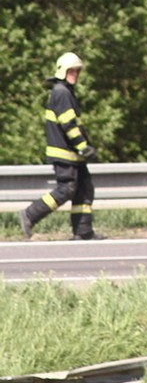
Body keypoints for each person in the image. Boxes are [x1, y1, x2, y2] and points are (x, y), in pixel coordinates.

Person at [19, 52, 105, 241]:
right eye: (71, 70)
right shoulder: (62, 92)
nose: (75, 73)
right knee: (66, 189)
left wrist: (84, 148)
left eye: (77, 70)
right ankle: (30, 214)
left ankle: (83, 231)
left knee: (83, 189)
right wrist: (83, 146)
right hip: (66, 153)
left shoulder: (65, 92)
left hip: (74, 154)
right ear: (62, 71)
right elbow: (68, 124)